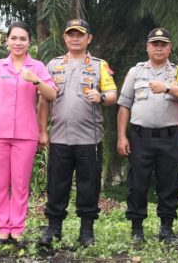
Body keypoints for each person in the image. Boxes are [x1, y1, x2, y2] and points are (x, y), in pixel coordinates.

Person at [37, 19, 117, 247]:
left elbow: (113, 94)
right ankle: (54, 228)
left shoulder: (99, 65)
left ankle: (86, 231)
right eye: (70, 34)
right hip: (60, 137)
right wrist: (42, 131)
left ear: (88, 38)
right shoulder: (53, 65)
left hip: (89, 139)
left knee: (88, 185)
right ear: (65, 37)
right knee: (56, 185)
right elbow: (43, 101)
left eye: (80, 34)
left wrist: (100, 97)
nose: (75, 38)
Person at [117, 28, 178, 243]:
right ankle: (136, 229)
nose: (159, 48)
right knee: (137, 183)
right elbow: (124, 105)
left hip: (170, 137)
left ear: (169, 47)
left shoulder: (177, 72)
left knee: (169, 183)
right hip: (140, 137)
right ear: (147, 47)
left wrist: (168, 88)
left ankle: (167, 228)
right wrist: (122, 137)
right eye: (155, 44)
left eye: (163, 44)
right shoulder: (136, 71)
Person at [0, 21, 57, 244]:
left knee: (20, 184)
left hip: (26, 134)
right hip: (0, 133)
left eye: (22, 39)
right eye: (14, 38)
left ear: (29, 43)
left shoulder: (37, 67)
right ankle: (2, 228)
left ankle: (16, 228)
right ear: (7, 41)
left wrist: (35, 80)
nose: (18, 42)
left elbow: (52, 94)